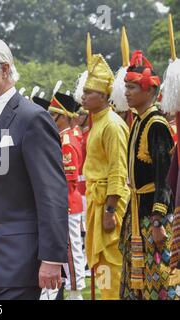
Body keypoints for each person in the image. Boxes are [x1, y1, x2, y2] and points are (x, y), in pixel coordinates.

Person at [0, 37, 68, 300]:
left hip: (22, 262)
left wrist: (52, 258)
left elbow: (51, 194)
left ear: (6, 69)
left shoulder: (31, 119)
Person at [119, 50, 180, 299]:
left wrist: (157, 220)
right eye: (126, 87)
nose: (127, 92)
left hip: (151, 216)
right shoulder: (139, 121)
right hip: (135, 210)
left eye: (132, 87)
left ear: (148, 91)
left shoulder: (156, 124)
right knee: (136, 277)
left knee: (157, 278)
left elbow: (163, 177)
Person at [81, 53, 130, 300]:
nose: (83, 96)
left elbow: (118, 171)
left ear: (103, 95)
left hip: (109, 203)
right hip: (96, 201)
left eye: (89, 91)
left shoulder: (112, 124)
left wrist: (110, 210)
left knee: (112, 260)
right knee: (100, 263)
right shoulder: (97, 122)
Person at [49, 92, 86, 300]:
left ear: (62, 116)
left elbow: (68, 179)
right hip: (66, 204)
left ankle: (75, 291)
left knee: (71, 251)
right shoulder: (64, 137)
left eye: (54, 114)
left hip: (67, 204)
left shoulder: (66, 141)